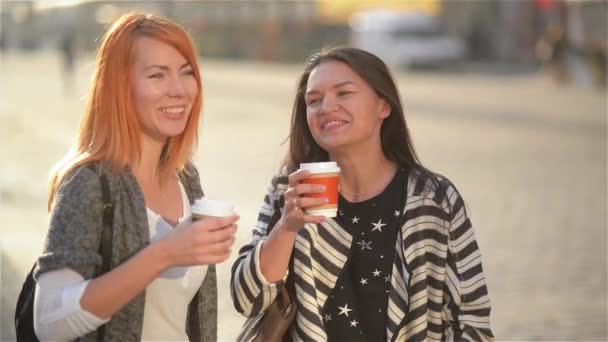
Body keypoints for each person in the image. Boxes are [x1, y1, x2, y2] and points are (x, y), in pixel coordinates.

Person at [231, 47, 493, 341]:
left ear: (384, 106)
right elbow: (248, 299)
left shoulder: (432, 199)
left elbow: (471, 319)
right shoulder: (290, 188)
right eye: (314, 100)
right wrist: (286, 226)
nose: (326, 106)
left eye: (343, 93)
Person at [33, 13, 238, 341]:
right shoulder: (88, 183)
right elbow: (49, 324)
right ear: (119, 87)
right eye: (157, 75)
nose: (179, 90)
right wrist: (165, 253)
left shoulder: (186, 177)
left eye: (186, 73)